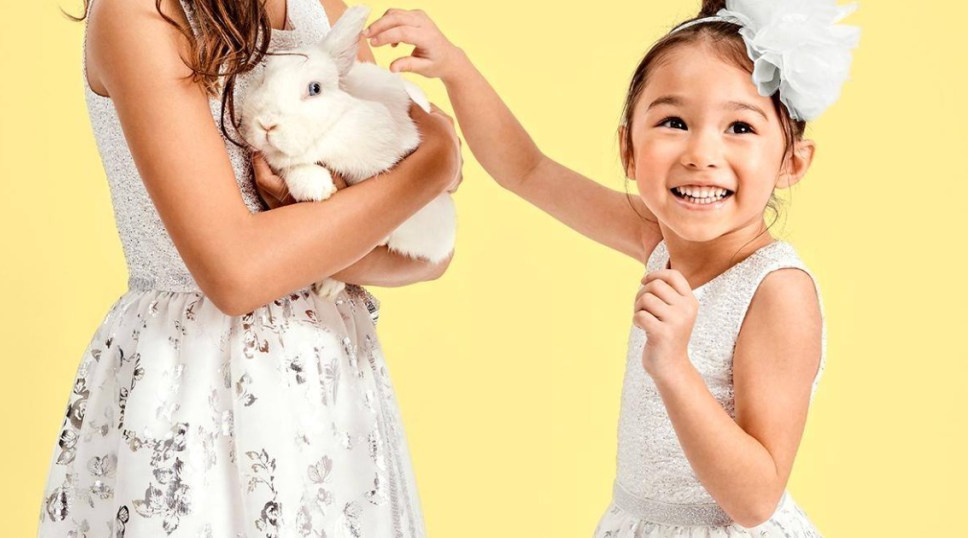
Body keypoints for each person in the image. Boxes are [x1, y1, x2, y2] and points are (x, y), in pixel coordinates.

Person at [362, 0, 858, 534]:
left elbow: (756, 499)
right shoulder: (655, 236)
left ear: (791, 162)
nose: (701, 153)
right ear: (628, 148)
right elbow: (527, 170)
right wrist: (455, 67)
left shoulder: (777, 290)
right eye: (674, 122)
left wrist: (673, 367)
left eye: (739, 127)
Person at [37, 0, 462, 535]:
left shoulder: (323, 9)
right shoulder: (140, 13)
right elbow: (235, 273)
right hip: (195, 385)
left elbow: (425, 251)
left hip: (331, 393)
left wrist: (314, 234)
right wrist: (437, 161)